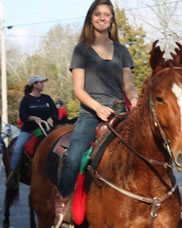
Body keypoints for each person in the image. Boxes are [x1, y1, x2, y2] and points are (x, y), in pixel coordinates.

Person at [56, 0, 139, 214]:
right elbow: (78, 90)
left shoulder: (122, 51)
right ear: (90, 18)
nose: (102, 17)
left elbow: (128, 84)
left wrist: (136, 100)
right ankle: (63, 201)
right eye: (98, 14)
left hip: (120, 112)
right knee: (74, 157)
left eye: (107, 14)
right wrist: (98, 108)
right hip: (91, 113)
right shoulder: (81, 50)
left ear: (112, 19)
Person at [6, 75, 58, 187]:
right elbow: (22, 115)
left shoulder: (47, 98)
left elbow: (55, 112)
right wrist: (32, 118)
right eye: (41, 82)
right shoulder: (26, 99)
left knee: (60, 146)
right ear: (34, 85)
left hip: (45, 129)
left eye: (43, 83)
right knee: (17, 148)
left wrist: (51, 118)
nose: (43, 84)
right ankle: (13, 173)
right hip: (30, 130)